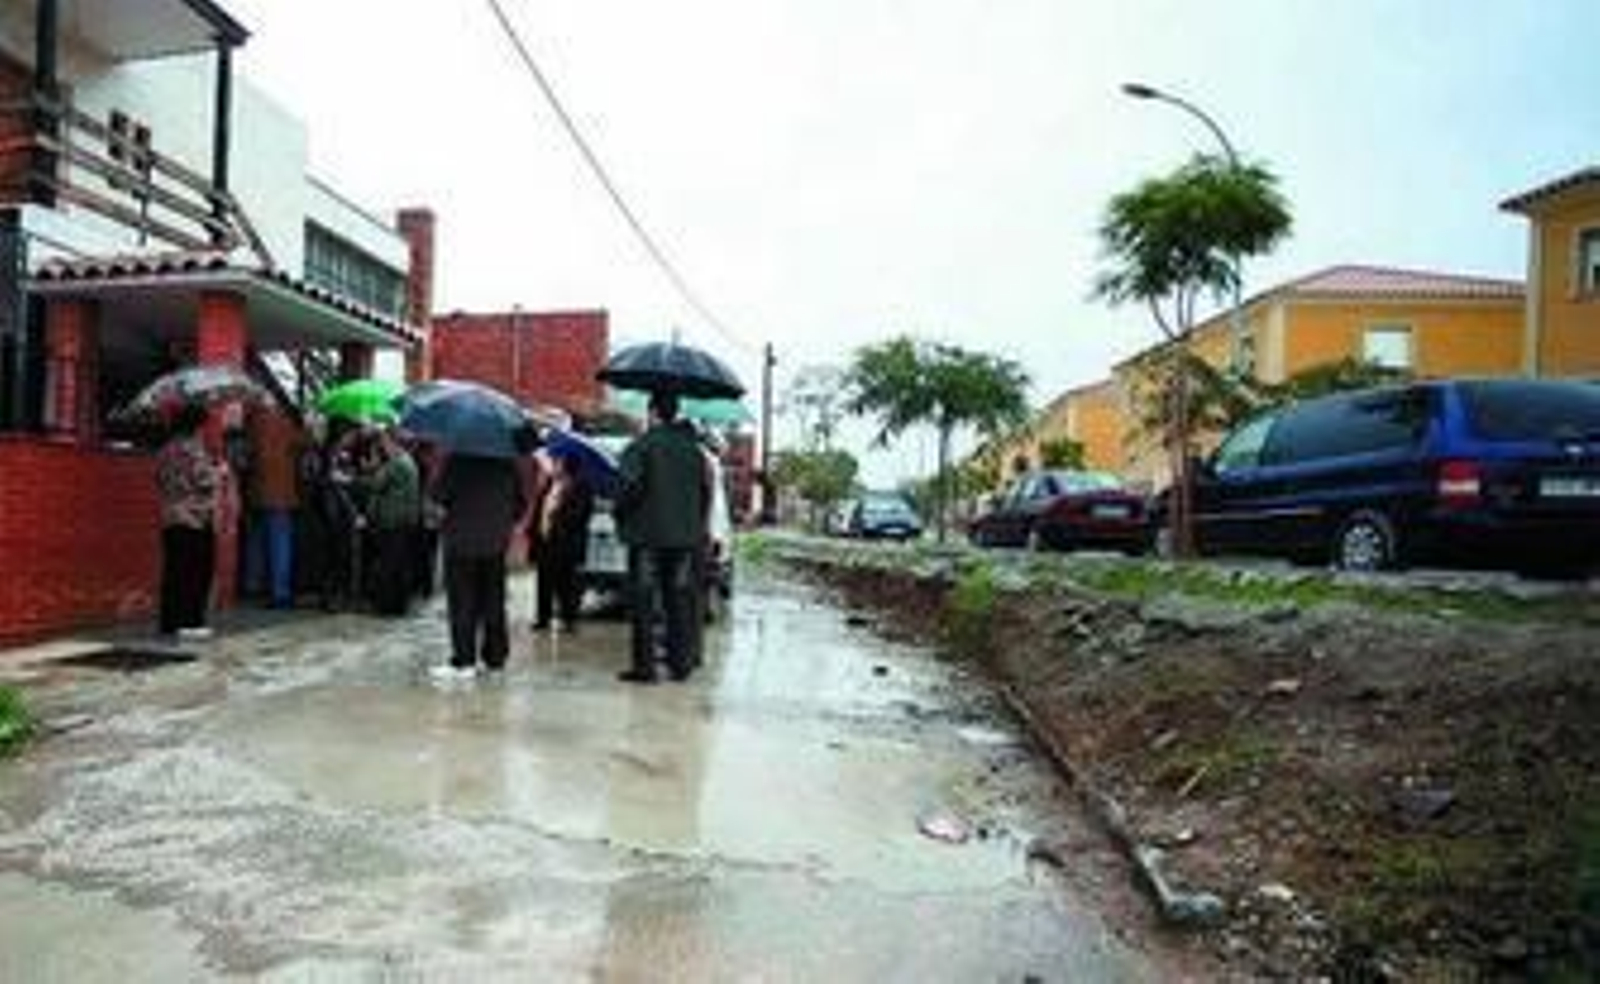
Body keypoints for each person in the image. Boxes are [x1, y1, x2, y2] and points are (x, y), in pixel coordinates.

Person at [614, 391, 711, 684]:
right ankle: (680, 665)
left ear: (653, 412)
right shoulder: (695, 451)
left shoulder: (642, 446)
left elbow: (629, 488)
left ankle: (646, 668)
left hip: (647, 538)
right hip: (684, 540)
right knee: (678, 601)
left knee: (643, 602)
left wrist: (620, 512)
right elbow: (703, 493)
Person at [430, 453, 528, 683]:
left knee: (462, 602)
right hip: (495, 544)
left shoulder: (456, 461)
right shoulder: (507, 465)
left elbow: (437, 496)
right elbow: (519, 507)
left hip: (461, 544)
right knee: (494, 602)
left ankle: (464, 661)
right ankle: (495, 660)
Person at [155, 403, 221, 639]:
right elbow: (204, 482)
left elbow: (159, 480)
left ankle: (169, 623)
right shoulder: (193, 451)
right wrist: (218, 470)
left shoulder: (165, 450)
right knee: (197, 574)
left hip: (170, 517)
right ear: (197, 426)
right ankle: (191, 622)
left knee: (173, 573)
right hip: (196, 519)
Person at [244, 404, 304, 609]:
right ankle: (280, 593)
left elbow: (247, 454)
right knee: (280, 543)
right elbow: (303, 444)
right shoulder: (286, 423)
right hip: (282, 493)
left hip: (257, 490)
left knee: (256, 539)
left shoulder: (252, 421)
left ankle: (253, 585)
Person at [531, 448, 594, 632]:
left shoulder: (581, 486)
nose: (555, 464)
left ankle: (569, 619)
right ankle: (543, 618)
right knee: (544, 582)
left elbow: (580, 515)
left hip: (566, 543)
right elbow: (539, 508)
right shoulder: (550, 483)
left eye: (558, 462)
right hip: (546, 541)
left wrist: (555, 513)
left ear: (568, 466)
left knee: (566, 583)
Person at [362, 428, 423, 616]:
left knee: (390, 565)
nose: (383, 447)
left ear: (394, 444)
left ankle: (387, 605)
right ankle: (398, 605)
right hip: (404, 521)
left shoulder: (397, 463)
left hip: (394, 521)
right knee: (399, 565)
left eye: (386, 443)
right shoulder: (407, 461)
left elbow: (376, 484)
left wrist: (372, 467)